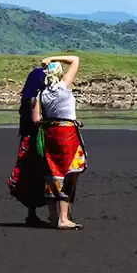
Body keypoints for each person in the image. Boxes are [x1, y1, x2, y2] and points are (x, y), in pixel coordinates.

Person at [33, 55, 87, 230]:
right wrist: (52, 58)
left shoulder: (41, 94)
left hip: (51, 134)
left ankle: (53, 216)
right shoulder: (63, 87)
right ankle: (63, 218)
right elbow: (75, 60)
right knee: (68, 172)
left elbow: (35, 120)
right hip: (67, 133)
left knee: (52, 172)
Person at [6, 66, 49, 226]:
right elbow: (36, 121)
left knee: (29, 176)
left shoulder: (26, 100)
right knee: (40, 175)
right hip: (36, 141)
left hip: (26, 140)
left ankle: (32, 214)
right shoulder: (35, 100)